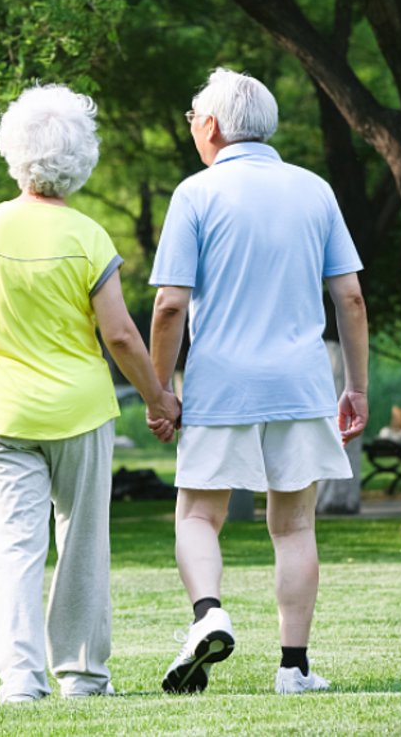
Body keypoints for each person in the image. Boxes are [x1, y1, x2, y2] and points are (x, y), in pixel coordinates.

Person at [0, 84, 178, 703]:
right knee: (81, 544)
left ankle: (20, 680)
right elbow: (122, 336)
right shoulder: (88, 237)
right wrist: (158, 398)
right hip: (79, 413)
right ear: (82, 157)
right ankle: (81, 677)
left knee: (11, 548)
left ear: (13, 152)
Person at [148, 68, 368, 696]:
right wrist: (356, 387)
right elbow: (349, 298)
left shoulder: (196, 194)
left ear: (211, 125)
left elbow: (168, 306)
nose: (193, 128)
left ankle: (207, 613)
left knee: (198, 514)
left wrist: (161, 392)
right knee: (295, 526)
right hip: (300, 384)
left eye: (193, 118)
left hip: (222, 385)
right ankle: (294, 668)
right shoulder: (315, 190)